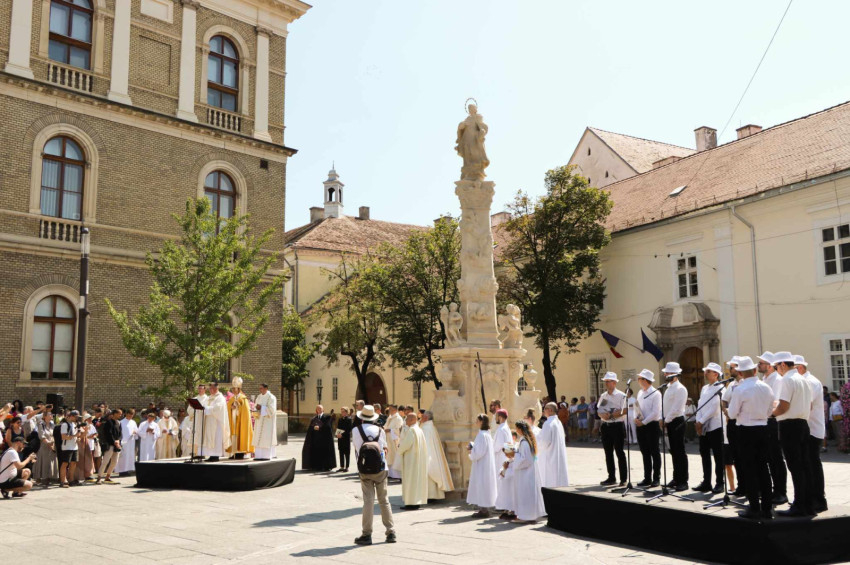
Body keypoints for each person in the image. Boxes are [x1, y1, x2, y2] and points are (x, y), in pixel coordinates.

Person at [727, 356, 775, 520]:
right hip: (763, 428)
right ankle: (767, 508)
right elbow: (770, 410)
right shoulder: (766, 387)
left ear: (740, 373)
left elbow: (732, 413)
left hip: (746, 430)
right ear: (755, 370)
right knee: (763, 468)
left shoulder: (740, 389)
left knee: (749, 469)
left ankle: (754, 507)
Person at [772, 351, 814, 517]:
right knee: (805, 466)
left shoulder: (787, 379)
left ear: (783, 365)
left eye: (776, 366)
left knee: (795, 467)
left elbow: (783, 406)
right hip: (803, 424)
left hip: (789, 425)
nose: (776, 370)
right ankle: (807, 503)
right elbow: (809, 405)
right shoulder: (803, 379)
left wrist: (771, 414)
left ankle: (799, 504)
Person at [352, 405, 395, 546]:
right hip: (381, 468)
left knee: (368, 501)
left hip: (365, 469)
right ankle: (390, 532)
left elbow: (357, 449)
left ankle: (367, 534)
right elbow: (385, 449)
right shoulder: (380, 430)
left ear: (362, 418)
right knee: (384, 500)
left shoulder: (356, 430)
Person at [797, 355, 827, 513]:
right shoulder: (803, 381)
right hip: (805, 429)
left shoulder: (811, 382)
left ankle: (819, 499)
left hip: (812, 430)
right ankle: (810, 497)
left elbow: (806, 405)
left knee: (813, 465)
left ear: (801, 368)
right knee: (807, 465)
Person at [758, 351, 788, 505]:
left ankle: (781, 491)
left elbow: (775, 402)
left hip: (773, 421)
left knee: (776, 458)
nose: (758, 365)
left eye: (761, 363)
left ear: (770, 366)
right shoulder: (764, 379)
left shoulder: (777, 380)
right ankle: (771, 490)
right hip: (764, 420)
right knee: (768, 458)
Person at [507, 421, 546, 523]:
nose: (516, 430)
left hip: (526, 473)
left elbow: (526, 459)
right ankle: (528, 515)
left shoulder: (524, 442)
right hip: (527, 472)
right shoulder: (526, 440)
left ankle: (526, 516)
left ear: (520, 429)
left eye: (517, 428)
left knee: (525, 494)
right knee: (527, 494)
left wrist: (514, 454)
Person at [694, 363, 724, 494]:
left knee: (718, 456)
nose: (705, 373)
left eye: (708, 371)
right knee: (704, 454)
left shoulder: (720, 387)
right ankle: (706, 482)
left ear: (716, 374)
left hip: (715, 426)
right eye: (705, 371)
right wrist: (698, 421)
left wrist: (701, 421)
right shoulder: (705, 388)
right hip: (703, 426)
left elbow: (715, 408)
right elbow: (700, 404)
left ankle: (719, 483)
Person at [661, 362, 689, 491]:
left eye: (667, 373)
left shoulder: (680, 389)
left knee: (680, 452)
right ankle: (676, 478)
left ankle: (683, 481)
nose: (665, 375)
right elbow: (666, 406)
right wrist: (663, 419)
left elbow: (676, 408)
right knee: (673, 451)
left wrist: (666, 420)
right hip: (669, 421)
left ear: (674, 374)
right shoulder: (668, 387)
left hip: (677, 421)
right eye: (665, 372)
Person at [597, 372, 627, 486]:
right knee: (608, 453)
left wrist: (611, 415)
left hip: (617, 425)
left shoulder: (621, 395)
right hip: (606, 426)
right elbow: (599, 410)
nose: (606, 383)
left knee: (619, 452)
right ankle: (611, 477)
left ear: (614, 382)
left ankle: (623, 479)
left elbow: (625, 410)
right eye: (605, 381)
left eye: (608, 381)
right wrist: (602, 415)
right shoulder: (604, 395)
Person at [722, 357, 745, 496]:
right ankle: (741, 486)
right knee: (736, 456)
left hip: (742, 423)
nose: (730, 370)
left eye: (732, 367)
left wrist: (732, 412)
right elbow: (724, 400)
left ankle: (749, 486)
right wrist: (727, 412)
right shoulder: (731, 384)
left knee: (744, 457)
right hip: (731, 422)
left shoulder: (745, 383)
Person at [634, 369, 661, 487]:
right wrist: (636, 418)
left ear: (645, 380)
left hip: (651, 425)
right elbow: (637, 407)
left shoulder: (656, 393)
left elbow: (655, 412)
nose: (638, 380)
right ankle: (647, 478)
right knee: (645, 452)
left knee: (654, 452)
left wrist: (644, 422)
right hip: (641, 425)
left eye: (639, 378)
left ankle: (656, 478)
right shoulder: (640, 393)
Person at [467, 414, 497, 517]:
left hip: (482, 465)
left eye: (477, 420)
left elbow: (479, 452)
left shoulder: (482, 435)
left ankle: (484, 510)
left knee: (482, 485)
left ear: (482, 422)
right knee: (483, 485)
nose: (476, 421)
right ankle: (483, 509)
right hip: (484, 464)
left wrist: (471, 450)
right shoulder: (486, 434)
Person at [420, 410, 454, 500]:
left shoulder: (426, 428)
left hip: (428, 454)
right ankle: (433, 495)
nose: (420, 418)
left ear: (426, 418)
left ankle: (430, 496)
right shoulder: (430, 427)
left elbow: (425, 444)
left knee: (429, 474)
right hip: (433, 454)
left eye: (422, 416)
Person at [397, 412, 428, 510]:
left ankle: (410, 503)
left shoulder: (412, 430)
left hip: (411, 460)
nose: (405, 421)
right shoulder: (419, 430)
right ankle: (416, 502)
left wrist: (399, 450)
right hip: (417, 459)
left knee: (410, 481)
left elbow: (406, 444)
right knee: (416, 482)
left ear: (411, 420)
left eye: (406, 419)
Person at [537, 402, 569, 488]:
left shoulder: (548, 423)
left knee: (550, 480)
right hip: (557, 455)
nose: (543, 411)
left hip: (550, 456)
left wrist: (535, 448)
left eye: (545, 409)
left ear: (550, 410)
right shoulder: (558, 422)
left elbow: (544, 442)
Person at [202, 382, 231, 462]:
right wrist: (203, 408)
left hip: (217, 422)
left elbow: (218, 408)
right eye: (210, 388)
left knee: (216, 438)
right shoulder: (209, 397)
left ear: (216, 388)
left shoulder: (220, 398)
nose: (210, 390)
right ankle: (211, 455)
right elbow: (204, 405)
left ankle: (216, 455)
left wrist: (207, 408)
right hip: (209, 421)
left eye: (212, 388)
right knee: (209, 437)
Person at [227, 377, 254, 459]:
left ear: (238, 389)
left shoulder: (243, 398)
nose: (233, 390)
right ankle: (234, 452)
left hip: (240, 421)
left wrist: (238, 407)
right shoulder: (232, 399)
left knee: (240, 435)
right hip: (233, 421)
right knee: (233, 435)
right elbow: (228, 407)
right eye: (232, 388)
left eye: (234, 388)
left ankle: (241, 453)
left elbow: (246, 411)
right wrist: (231, 407)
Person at [302, 405, 335, 471]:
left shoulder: (327, 418)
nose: (319, 410)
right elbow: (310, 429)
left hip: (324, 439)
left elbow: (328, 427)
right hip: (316, 439)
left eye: (320, 409)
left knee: (324, 453)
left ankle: (325, 466)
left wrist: (320, 428)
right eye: (318, 409)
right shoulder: (314, 419)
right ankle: (317, 466)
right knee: (316, 453)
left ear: (323, 410)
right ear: (316, 410)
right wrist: (313, 428)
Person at [33, 406, 58, 486]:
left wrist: (52, 443)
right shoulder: (41, 424)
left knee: (51, 461)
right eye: (50, 415)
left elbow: (54, 434)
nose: (51, 416)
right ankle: (42, 478)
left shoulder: (52, 424)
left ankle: (50, 477)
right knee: (44, 462)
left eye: (51, 414)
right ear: (45, 417)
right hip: (44, 446)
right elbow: (41, 436)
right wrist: (48, 443)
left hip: (52, 446)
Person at [253, 383, 278, 461]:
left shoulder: (271, 397)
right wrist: (256, 408)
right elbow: (255, 406)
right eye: (259, 388)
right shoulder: (259, 397)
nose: (260, 390)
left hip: (267, 422)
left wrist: (262, 407)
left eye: (261, 388)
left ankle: (266, 456)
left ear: (266, 388)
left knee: (265, 438)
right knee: (258, 438)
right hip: (259, 420)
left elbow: (272, 410)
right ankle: (258, 456)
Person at [96, 409, 122, 484]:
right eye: (119, 414)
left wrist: (118, 440)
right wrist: (114, 442)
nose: (120, 415)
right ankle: (99, 477)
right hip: (109, 444)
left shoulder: (118, 422)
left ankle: (108, 476)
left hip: (117, 444)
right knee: (105, 461)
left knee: (114, 462)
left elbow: (120, 433)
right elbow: (108, 434)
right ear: (114, 414)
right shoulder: (108, 422)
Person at [58, 410, 80, 488]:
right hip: (67, 447)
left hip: (74, 446)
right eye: (76, 417)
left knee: (73, 463)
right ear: (71, 416)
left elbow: (77, 435)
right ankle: (62, 481)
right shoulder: (65, 424)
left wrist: (78, 436)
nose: (77, 418)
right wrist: (75, 436)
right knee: (65, 463)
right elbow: (63, 437)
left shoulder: (75, 424)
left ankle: (71, 479)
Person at [75, 413, 98, 482]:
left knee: (88, 459)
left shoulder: (89, 425)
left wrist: (92, 435)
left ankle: (87, 474)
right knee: (81, 460)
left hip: (86, 443)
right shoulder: (78, 426)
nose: (90, 419)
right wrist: (86, 431)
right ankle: (80, 475)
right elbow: (80, 436)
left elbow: (95, 433)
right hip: (81, 444)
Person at [116, 409, 138, 475]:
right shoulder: (121, 422)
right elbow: (119, 432)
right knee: (123, 456)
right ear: (126, 414)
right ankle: (122, 471)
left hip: (131, 442)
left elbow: (136, 430)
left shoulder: (133, 422)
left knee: (130, 456)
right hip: (124, 442)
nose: (130, 416)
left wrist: (135, 432)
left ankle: (128, 469)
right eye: (129, 414)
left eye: (132, 415)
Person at [384, 405, 403, 480]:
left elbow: (399, 429)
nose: (389, 410)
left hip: (394, 440)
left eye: (390, 409)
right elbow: (386, 425)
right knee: (389, 456)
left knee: (394, 456)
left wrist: (390, 430)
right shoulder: (390, 417)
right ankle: (390, 473)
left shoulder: (398, 418)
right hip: (388, 439)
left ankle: (397, 475)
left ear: (394, 410)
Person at [335, 407, 353, 472]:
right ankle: (342, 466)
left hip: (346, 438)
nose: (342, 413)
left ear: (346, 412)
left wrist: (342, 435)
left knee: (347, 453)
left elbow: (349, 429)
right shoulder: (340, 419)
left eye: (343, 411)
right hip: (340, 439)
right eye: (341, 411)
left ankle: (347, 467)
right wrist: (337, 434)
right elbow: (338, 428)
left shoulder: (349, 419)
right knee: (341, 452)